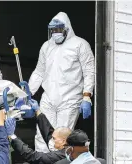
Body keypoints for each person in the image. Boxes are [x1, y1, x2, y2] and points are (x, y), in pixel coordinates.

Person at [28, 12, 95, 153]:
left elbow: (89, 71)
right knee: (41, 134)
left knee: (62, 137)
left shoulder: (80, 45)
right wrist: (27, 93)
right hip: (48, 97)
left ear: (67, 29)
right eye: (53, 30)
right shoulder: (46, 46)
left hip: (70, 99)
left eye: (58, 30)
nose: (55, 33)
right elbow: (39, 72)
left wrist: (87, 96)